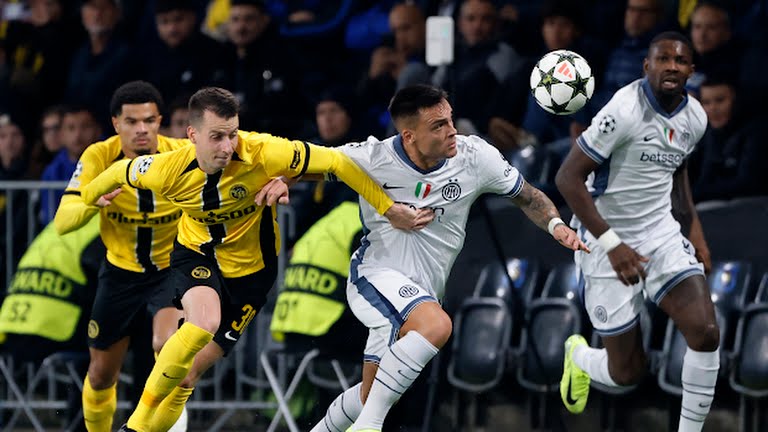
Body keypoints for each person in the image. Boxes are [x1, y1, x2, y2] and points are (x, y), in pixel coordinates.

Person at [76, 87, 430, 432]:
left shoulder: (264, 151)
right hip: (197, 253)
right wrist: (85, 197)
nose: (227, 146)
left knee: (187, 376)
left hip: (252, 275)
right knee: (202, 323)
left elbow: (337, 161)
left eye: (232, 134)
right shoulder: (163, 169)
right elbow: (116, 173)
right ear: (192, 134)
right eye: (216, 137)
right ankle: (135, 427)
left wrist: (389, 209)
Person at [309, 84, 588, 432]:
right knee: (437, 325)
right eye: (438, 125)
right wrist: (276, 178)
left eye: (450, 120)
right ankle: (370, 427)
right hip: (375, 276)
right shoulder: (373, 157)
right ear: (409, 136)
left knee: (371, 393)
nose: (452, 130)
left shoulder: (474, 157)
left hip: (423, 290)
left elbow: (528, 196)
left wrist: (556, 224)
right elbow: (308, 161)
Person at [555, 32, 719, 432]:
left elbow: (677, 172)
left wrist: (693, 232)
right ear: (646, 66)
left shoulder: (695, 117)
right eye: (663, 59)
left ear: (691, 71)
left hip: (660, 234)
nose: (671, 67)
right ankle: (579, 357)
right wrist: (613, 245)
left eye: (680, 62)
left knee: (705, 331)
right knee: (628, 373)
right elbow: (567, 178)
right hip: (604, 238)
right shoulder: (623, 111)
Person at [53, 81, 188, 432]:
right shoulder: (98, 156)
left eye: (148, 120)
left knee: (169, 352)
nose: (141, 129)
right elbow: (62, 223)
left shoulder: (182, 154)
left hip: (170, 271)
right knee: (100, 376)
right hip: (119, 274)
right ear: (116, 123)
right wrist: (90, 201)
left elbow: (239, 156)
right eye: (131, 121)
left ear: (160, 121)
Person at [0, 217, 104, 432]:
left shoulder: (64, 219)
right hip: (53, 330)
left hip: (11, 328)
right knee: (108, 341)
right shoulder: (105, 226)